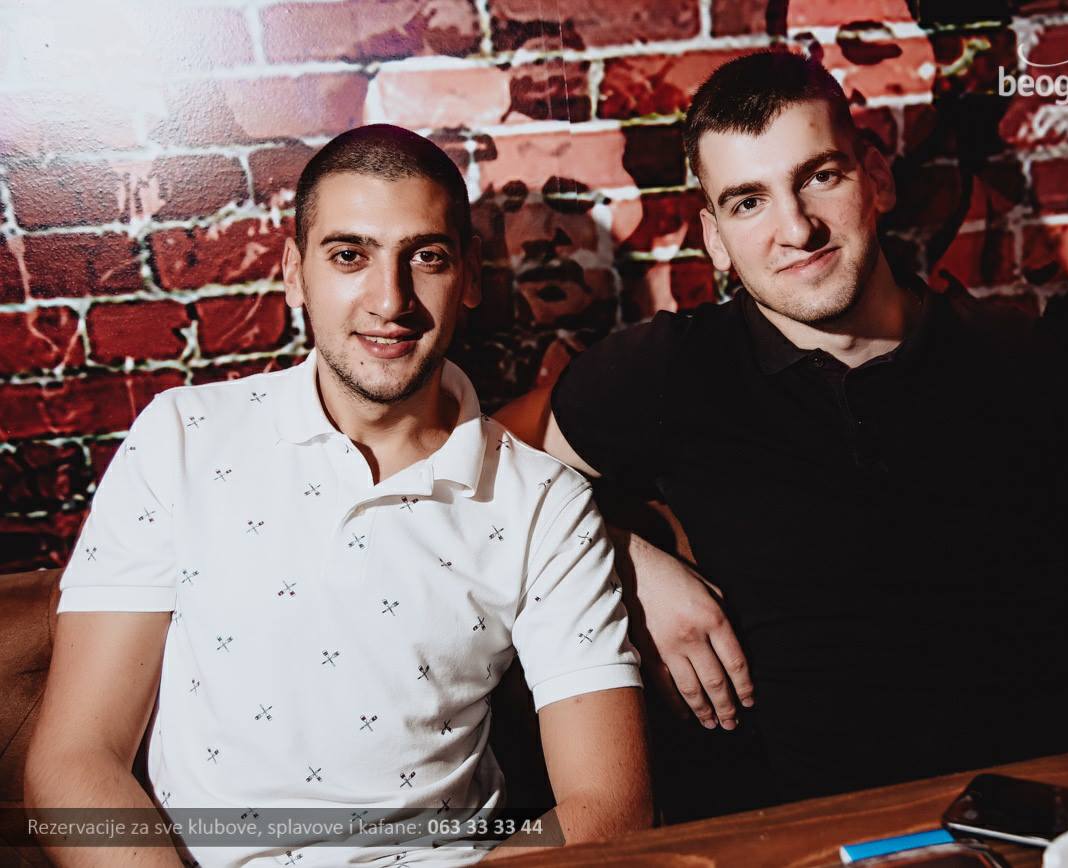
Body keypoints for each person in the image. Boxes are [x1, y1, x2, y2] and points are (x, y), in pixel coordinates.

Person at [496, 52, 1068, 820]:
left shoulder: (1033, 363)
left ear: (878, 181)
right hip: (804, 841)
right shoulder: (668, 371)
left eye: (820, 177)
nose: (796, 229)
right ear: (716, 239)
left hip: (1043, 827)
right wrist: (625, 563)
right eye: (749, 201)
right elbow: (473, 463)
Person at [25, 124, 652, 866]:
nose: (390, 300)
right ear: (295, 273)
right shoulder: (182, 439)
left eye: (426, 257)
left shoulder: (542, 501)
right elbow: (75, 761)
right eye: (350, 255)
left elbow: (609, 807)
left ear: (471, 278)